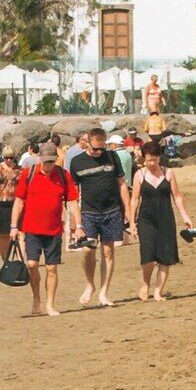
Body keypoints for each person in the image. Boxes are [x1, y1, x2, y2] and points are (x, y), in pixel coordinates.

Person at [64, 126, 129, 310]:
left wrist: (129, 210)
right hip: (89, 212)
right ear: (87, 142)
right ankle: (90, 284)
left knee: (108, 252)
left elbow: (122, 184)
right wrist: (76, 222)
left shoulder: (112, 156)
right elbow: (73, 195)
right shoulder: (77, 162)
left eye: (102, 149)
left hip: (112, 210)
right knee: (87, 250)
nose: (99, 152)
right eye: (95, 149)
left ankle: (104, 292)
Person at [133, 143, 196, 301]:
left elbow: (177, 197)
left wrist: (185, 216)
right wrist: (131, 221)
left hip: (165, 218)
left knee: (166, 256)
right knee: (148, 254)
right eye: (149, 160)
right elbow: (134, 200)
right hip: (146, 219)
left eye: (155, 160)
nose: (152, 163)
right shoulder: (140, 175)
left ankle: (158, 292)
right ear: (144, 158)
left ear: (159, 158)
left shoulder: (168, 173)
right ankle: (145, 283)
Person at [12, 147, 71, 320]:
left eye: (52, 161)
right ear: (40, 159)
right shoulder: (28, 174)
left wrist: (78, 224)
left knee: (52, 268)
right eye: (46, 161)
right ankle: (36, 297)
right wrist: (14, 226)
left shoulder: (62, 175)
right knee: (32, 264)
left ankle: (50, 304)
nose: (49, 164)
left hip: (54, 230)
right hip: (31, 228)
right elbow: (19, 201)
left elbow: (72, 201)